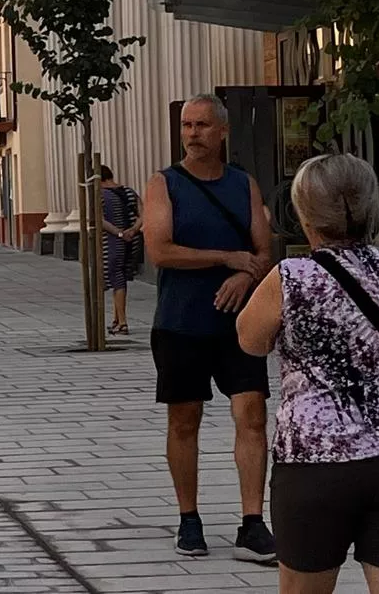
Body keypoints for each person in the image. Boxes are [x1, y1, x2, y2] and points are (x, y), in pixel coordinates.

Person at [237, 153, 379, 594]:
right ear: (372, 204)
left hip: (315, 459)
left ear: (304, 212)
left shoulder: (291, 276)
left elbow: (249, 340)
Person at [143, 93, 275, 563]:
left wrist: (245, 275)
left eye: (201, 125)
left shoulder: (243, 184)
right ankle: (189, 519)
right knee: (184, 421)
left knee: (252, 415)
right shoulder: (164, 184)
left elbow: (264, 253)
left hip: (240, 325)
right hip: (181, 322)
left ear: (223, 131)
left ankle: (253, 522)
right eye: (186, 125)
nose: (193, 134)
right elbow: (160, 251)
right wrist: (225, 258)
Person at [101, 165, 143, 336]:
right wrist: (132, 230)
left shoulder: (100, 195)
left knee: (116, 278)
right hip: (133, 240)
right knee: (120, 277)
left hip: (113, 241)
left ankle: (123, 322)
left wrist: (119, 233)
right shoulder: (129, 192)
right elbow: (144, 214)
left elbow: (100, 220)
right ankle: (116, 319)